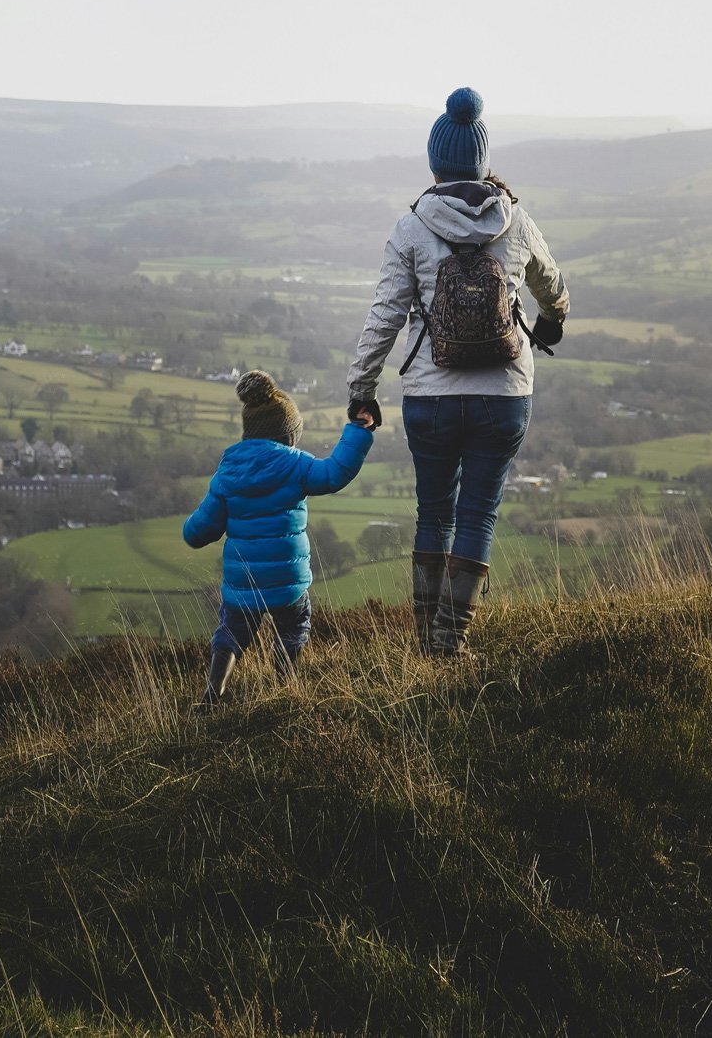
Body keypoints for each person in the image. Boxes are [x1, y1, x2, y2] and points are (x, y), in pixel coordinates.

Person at [346, 87, 569, 657]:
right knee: (478, 513)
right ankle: (453, 640)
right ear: (482, 161)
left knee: (434, 512)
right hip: (504, 395)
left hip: (431, 398)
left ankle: (427, 642)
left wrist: (361, 389)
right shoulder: (516, 220)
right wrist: (551, 323)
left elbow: (385, 317)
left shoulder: (412, 226)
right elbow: (553, 286)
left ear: (435, 161)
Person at [184, 370, 374, 704]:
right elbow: (334, 473)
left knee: (231, 632)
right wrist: (358, 431)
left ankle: (214, 691)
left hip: (243, 582)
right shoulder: (295, 465)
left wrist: (190, 530)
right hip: (288, 579)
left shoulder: (228, 472)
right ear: (287, 434)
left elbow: (202, 529)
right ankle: (286, 683)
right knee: (294, 625)